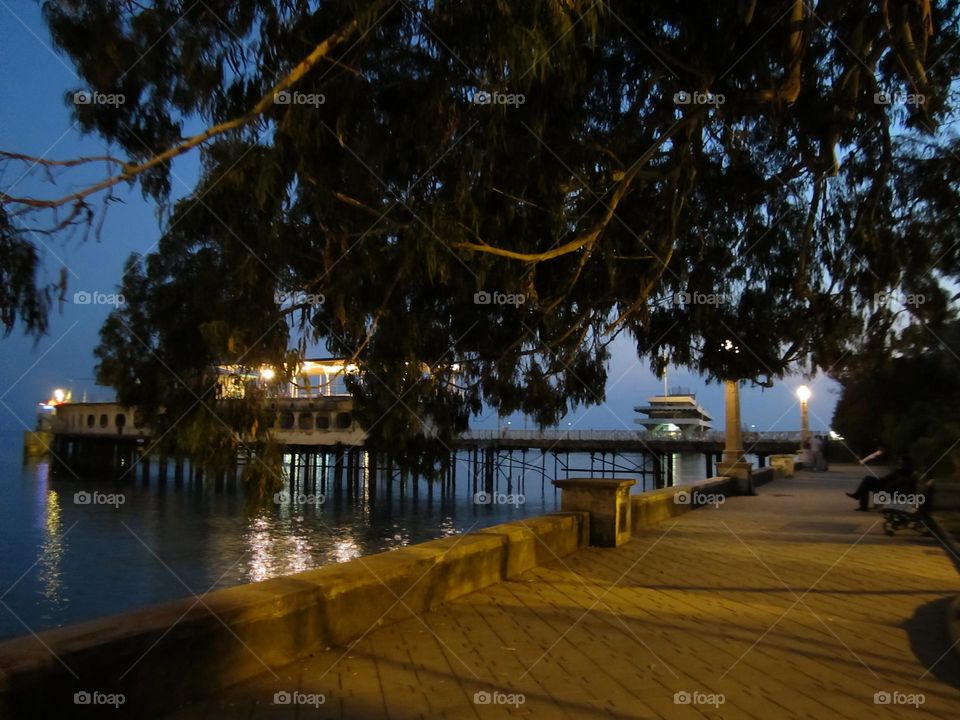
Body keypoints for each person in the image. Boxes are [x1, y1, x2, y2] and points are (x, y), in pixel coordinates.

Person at [846, 454, 914, 511]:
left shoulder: (904, 472)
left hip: (886, 486)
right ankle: (862, 505)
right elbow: (891, 477)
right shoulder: (902, 470)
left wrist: (886, 482)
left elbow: (897, 481)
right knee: (865, 486)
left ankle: (857, 496)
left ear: (905, 462)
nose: (899, 461)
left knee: (867, 478)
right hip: (884, 484)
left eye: (901, 460)